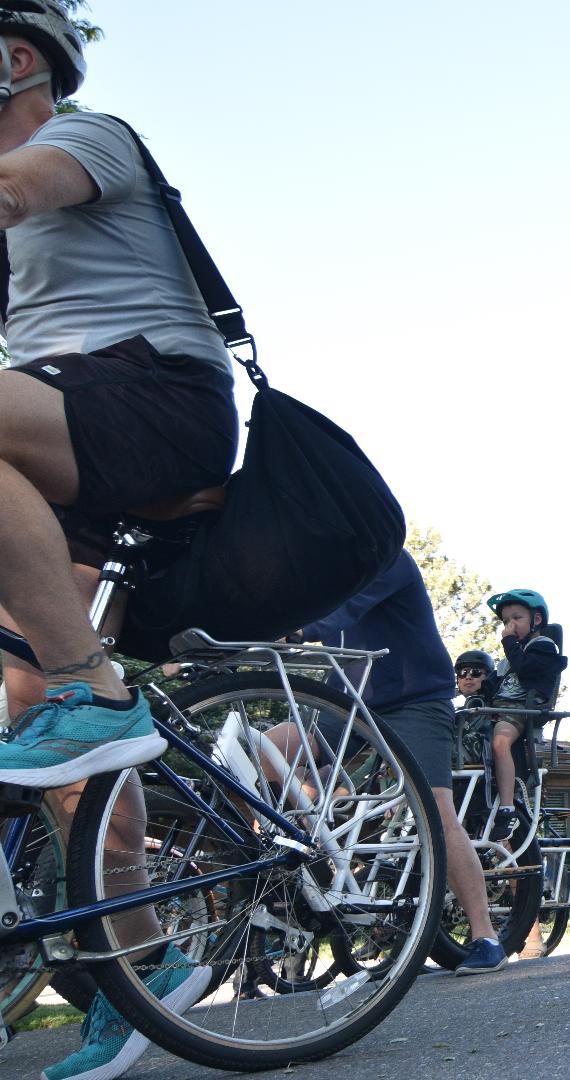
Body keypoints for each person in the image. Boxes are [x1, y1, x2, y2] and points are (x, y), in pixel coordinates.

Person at [0, 10, 237, 1075]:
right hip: (74, 438)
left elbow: (13, 186)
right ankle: (139, 968)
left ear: (15, 60)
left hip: (162, 402)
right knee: (28, 709)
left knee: (71, 691)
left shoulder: (89, 138)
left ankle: (99, 684)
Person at [286, 551, 510, 974]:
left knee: (437, 810)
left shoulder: (385, 558)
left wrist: (294, 627)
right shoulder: (320, 570)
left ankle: (485, 936)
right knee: (258, 750)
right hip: (350, 698)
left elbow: (340, 610)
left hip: (414, 698)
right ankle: (299, 853)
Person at [484, 588, 565, 842]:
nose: (510, 625)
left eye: (517, 618)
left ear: (536, 620)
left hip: (521, 710)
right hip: (499, 709)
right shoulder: (509, 657)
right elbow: (494, 685)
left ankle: (507, 807)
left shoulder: (543, 646)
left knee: (500, 741)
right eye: (506, 621)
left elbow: (526, 669)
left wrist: (508, 642)